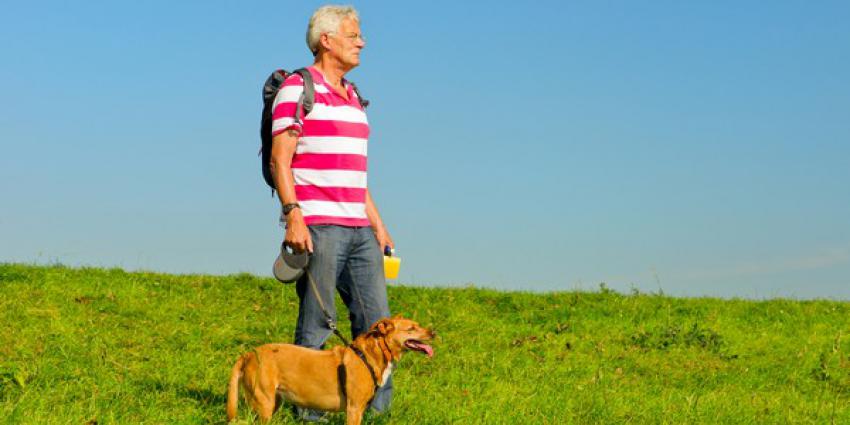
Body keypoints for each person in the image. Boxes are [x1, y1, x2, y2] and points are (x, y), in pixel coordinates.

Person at [268, 5, 394, 420]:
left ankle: (376, 411)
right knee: (318, 321)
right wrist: (293, 215)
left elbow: (355, 171)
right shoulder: (297, 88)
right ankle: (309, 413)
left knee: (378, 325)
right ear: (327, 40)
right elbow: (279, 160)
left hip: (359, 228)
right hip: (318, 223)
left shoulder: (355, 95)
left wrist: (377, 223)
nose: (362, 42)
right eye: (353, 35)